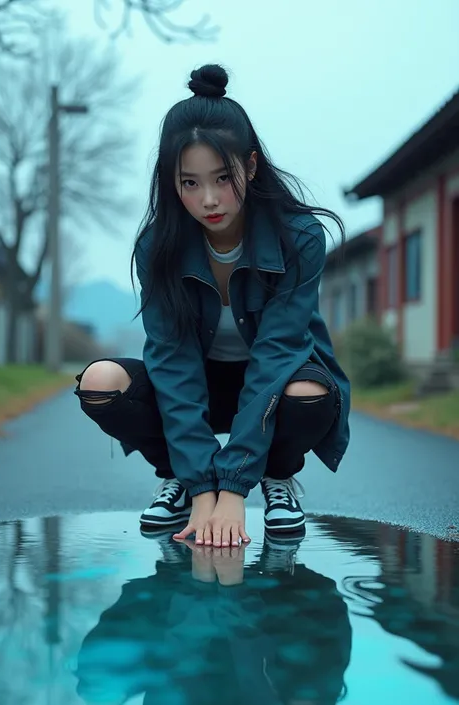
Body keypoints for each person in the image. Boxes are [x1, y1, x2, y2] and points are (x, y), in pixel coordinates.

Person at [74, 64, 350, 548]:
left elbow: (278, 354)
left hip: (273, 384)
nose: (209, 199)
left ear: (251, 165)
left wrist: (234, 489)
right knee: (99, 384)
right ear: (172, 182)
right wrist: (205, 488)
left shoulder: (299, 238)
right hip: (198, 381)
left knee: (309, 391)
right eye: (190, 183)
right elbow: (172, 359)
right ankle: (180, 478)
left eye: (223, 178)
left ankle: (278, 475)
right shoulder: (157, 248)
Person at [75, 535, 352, 705]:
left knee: (99, 685)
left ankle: (271, 468)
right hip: (278, 605)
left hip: (189, 623)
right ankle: (186, 471)